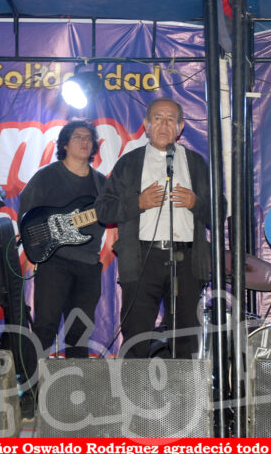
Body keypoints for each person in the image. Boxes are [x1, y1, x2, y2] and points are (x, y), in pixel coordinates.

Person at [95, 98, 213, 359]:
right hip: (142, 259)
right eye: (158, 118)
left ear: (180, 127)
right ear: (147, 125)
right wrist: (137, 202)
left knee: (185, 336)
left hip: (187, 261)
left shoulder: (196, 163)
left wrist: (196, 203)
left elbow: (219, 210)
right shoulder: (129, 163)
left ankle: (183, 398)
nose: (164, 124)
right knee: (136, 336)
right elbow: (103, 210)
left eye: (171, 119)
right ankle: (131, 398)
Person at [17, 120, 107, 358]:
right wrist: (37, 245)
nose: (85, 142)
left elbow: (115, 213)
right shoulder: (47, 176)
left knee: (80, 332)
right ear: (65, 144)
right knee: (45, 327)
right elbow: (27, 215)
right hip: (55, 262)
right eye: (78, 137)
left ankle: (74, 392)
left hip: (88, 265)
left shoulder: (102, 184)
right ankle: (32, 390)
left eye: (89, 138)